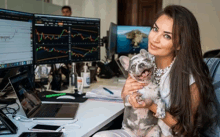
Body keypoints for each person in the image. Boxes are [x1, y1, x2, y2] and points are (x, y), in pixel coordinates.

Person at [93, 5, 220, 137]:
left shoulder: (189, 77)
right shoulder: (144, 63)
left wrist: (152, 106)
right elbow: (130, 100)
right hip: (138, 131)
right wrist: (126, 94)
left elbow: (186, 130)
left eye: (166, 36)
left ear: (179, 44)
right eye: (155, 29)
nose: (154, 39)